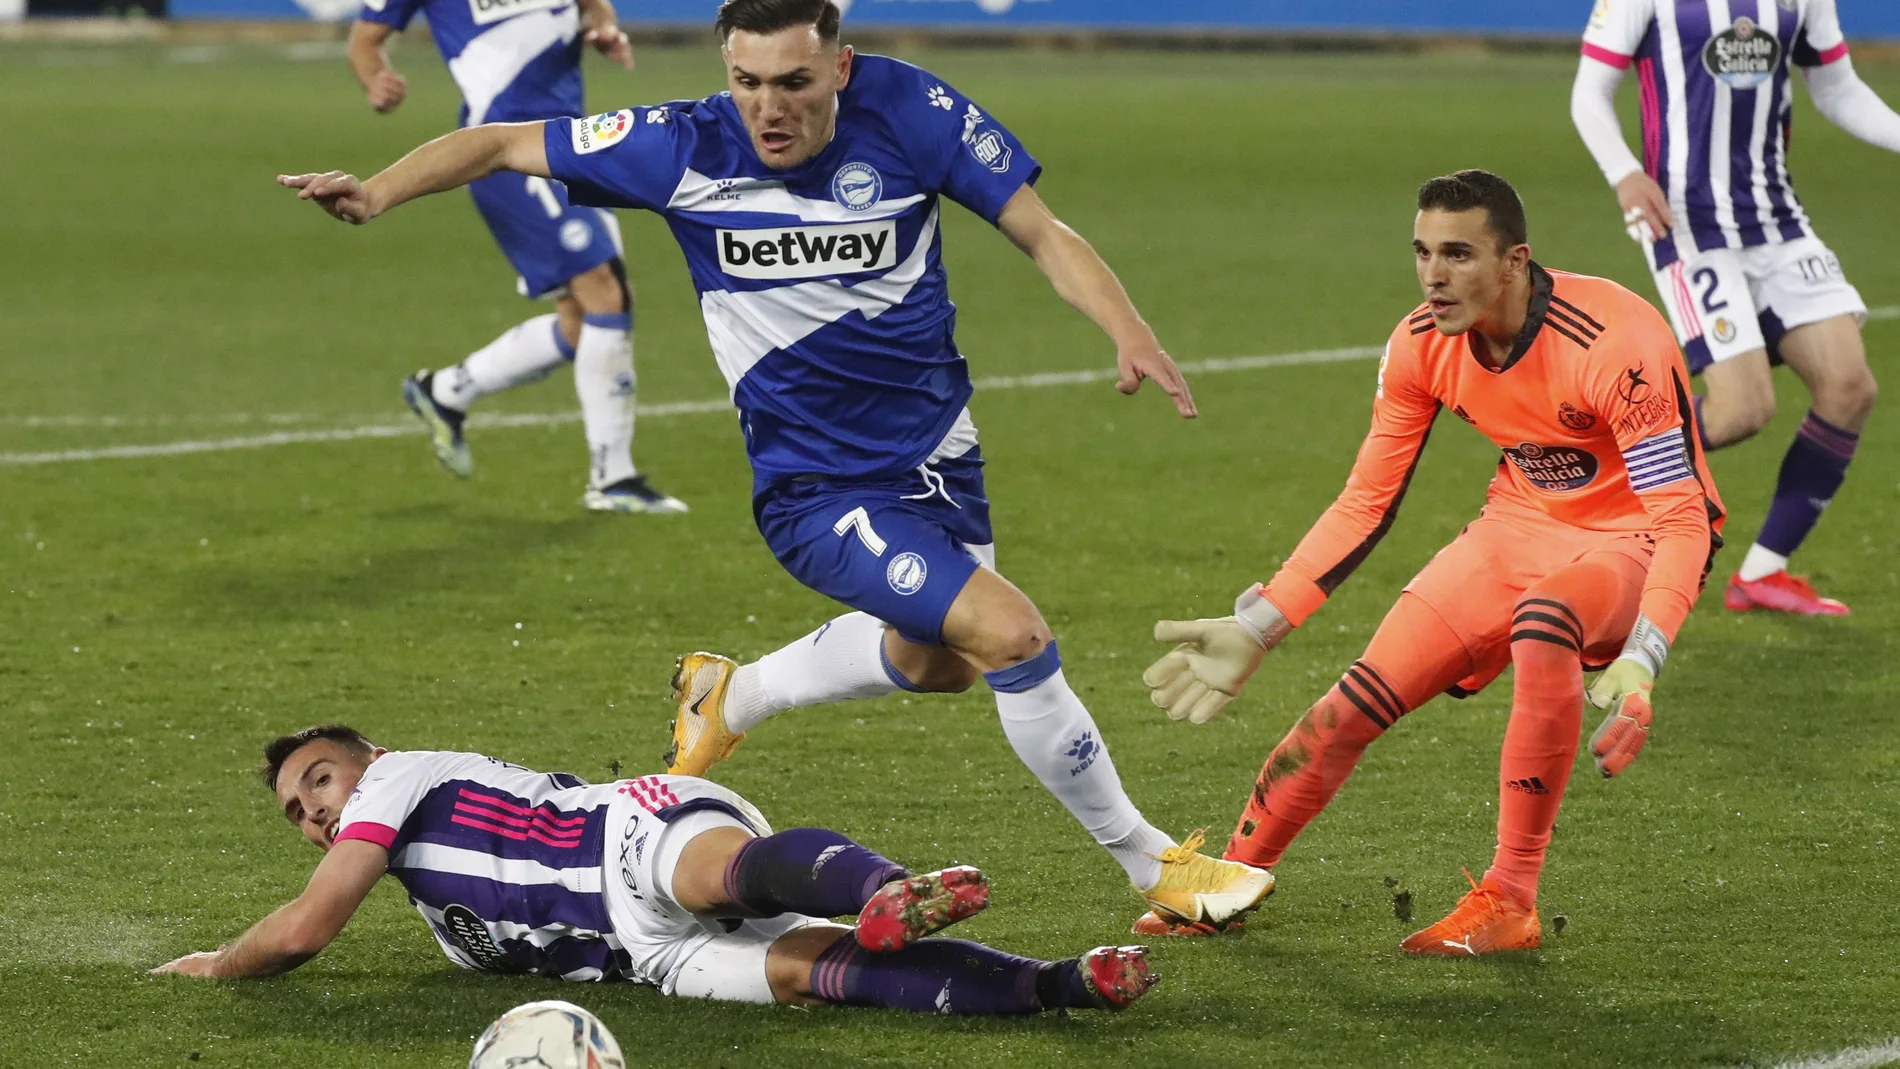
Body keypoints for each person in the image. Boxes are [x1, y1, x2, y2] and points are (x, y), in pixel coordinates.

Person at [276, 0, 1273, 931]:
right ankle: (1155, 865)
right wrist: (378, 190)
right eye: (748, 81)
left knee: (939, 665)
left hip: (936, 452)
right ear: (726, 69)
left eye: (793, 82)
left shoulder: (911, 110)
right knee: (1010, 634)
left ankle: (732, 695)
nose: (768, 107)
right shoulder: (681, 145)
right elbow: (496, 141)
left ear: (839, 65)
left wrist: (1126, 327)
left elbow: (1040, 233)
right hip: (815, 488)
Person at [1133, 171, 1726, 955]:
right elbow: (1365, 502)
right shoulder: (1420, 343)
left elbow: (1682, 516)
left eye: (1458, 254)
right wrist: (1262, 623)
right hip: (1514, 527)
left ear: (1515, 261)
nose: (1433, 276)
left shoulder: (1617, 341)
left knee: (1543, 621)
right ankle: (1232, 878)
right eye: (1422, 252)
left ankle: (1511, 896)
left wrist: (1645, 654)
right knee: (1348, 707)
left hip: (1635, 537)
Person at [150, 724, 1157, 1013]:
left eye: (318, 780)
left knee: (722, 874)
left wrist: (213, 964)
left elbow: (304, 929)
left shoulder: (399, 778)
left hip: (619, 840)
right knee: (817, 973)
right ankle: (1064, 981)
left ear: (366, 759)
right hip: (647, 959)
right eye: (297, 811)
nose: (315, 809)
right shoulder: (444, 922)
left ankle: (881, 888)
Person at [1570, 0, 1899, 614]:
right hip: (1687, 226)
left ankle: (1762, 574)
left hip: (1777, 222)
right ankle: (1579, 468)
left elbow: (1838, 89)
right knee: (1741, 411)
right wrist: (1623, 173)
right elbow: (1590, 90)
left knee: (1850, 387)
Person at [347, 0, 685, 513]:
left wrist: (603, 27)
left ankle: (446, 391)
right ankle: (613, 478)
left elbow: (593, 4)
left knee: (583, 321)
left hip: (569, 144)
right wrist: (377, 80)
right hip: (500, 150)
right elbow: (364, 39)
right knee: (605, 290)